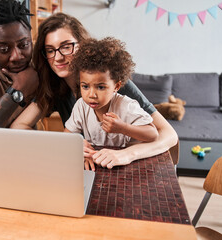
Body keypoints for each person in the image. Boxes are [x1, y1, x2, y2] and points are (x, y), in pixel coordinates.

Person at [10, 12, 178, 170]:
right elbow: (18, 126)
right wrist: (68, 144)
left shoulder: (112, 83)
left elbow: (169, 135)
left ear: (82, 46)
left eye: (66, 47)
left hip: (127, 166)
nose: (58, 57)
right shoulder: (53, 86)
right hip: (92, 167)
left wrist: (127, 154)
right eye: (50, 50)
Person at [64, 37, 159, 170]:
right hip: (98, 164)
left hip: (126, 166)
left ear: (116, 86)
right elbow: (67, 134)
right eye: (85, 86)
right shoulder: (81, 106)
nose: (91, 94)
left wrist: (123, 128)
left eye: (101, 87)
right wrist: (79, 147)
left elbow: (153, 134)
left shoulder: (126, 105)